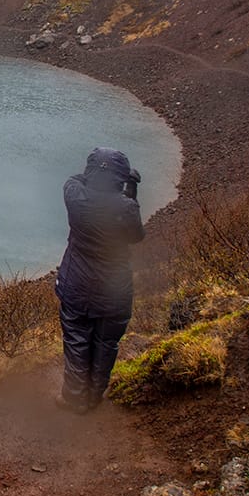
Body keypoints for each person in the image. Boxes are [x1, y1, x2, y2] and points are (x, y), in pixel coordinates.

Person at [55, 147, 145, 414]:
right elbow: (136, 236)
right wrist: (129, 189)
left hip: (76, 282)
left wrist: (101, 175)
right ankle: (94, 396)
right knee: (106, 341)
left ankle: (74, 398)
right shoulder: (126, 207)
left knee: (76, 338)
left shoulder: (74, 195)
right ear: (119, 178)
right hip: (114, 288)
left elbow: (76, 178)